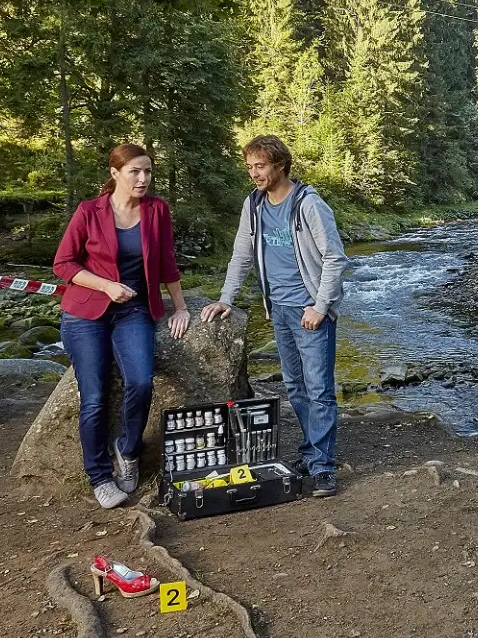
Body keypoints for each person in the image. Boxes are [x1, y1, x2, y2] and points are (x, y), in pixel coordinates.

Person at [201, 135, 349, 498]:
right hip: (279, 310)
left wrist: (319, 306)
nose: (254, 174)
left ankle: (323, 467)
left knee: (319, 390)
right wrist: (225, 298)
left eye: (260, 166)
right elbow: (241, 256)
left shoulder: (309, 204)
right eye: (250, 167)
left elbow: (335, 257)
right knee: (296, 387)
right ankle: (314, 452)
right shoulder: (253, 205)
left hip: (310, 311)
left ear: (280, 164)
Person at [54, 144, 190, 510]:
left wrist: (180, 308)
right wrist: (106, 285)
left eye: (147, 171)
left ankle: (128, 449)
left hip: (133, 311)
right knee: (95, 398)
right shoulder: (88, 212)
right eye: (135, 172)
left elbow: (165, 261)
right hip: (86, 314)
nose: (143, 179)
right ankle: (99, 477)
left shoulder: (156, 210)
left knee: (142, 381)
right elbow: (63, 265)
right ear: (115, 174)